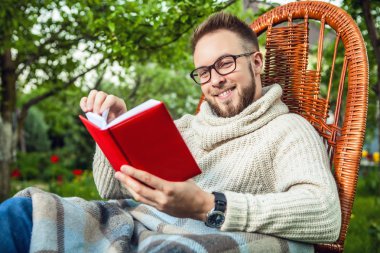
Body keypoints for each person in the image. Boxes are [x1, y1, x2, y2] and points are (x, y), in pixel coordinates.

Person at [0, 12, 341, 253]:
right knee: (21, 214)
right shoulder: (184, 128)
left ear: (256, 62)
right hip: (131, 225)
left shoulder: (287, 130)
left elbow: (324, 215)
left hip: (189, 240)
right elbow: (111, 188)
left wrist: (210, 205)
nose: (215, 79)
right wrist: (115, 129)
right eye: (204, 72)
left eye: (225, 63)